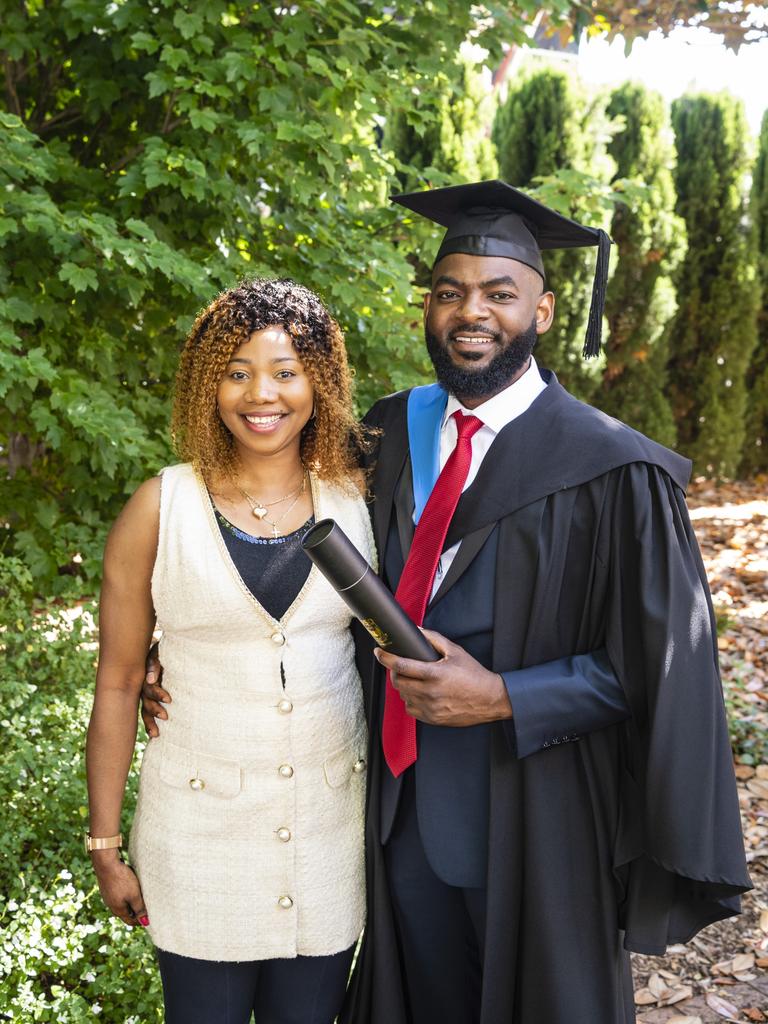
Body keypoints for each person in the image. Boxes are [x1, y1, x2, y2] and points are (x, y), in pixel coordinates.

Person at [142, 182, 751, 1024]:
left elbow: (664, 675)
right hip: (397, 820)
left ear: (541, 310)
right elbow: (272, 533)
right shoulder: (384, 438)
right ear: (428, 306)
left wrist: (504, 694)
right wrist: (178, 651)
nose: (473, 311)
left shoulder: (617, 473)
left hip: (539, 821)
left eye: (500, 293)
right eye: (450, 291)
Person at [85, 278, 375, 1024]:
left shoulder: (360, 500)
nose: (262, 393)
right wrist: (105, 844)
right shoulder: (161, 507)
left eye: (285, 370)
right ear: (207, 383)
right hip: (198, 841)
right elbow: (118, 683)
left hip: (328, 841)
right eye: (237, 370)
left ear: (320, 380)